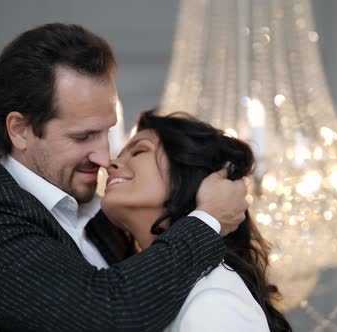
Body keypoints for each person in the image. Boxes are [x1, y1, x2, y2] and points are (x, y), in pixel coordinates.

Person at [0, 23, 249, 331]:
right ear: (20, 130)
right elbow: (107, 316)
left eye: (107, 132)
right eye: (82, 136)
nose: (105, 157)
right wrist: (207, 220)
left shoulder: (98, 219)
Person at [100, 110, 293, 332]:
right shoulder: (156, 296)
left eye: (138, 152)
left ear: (187, 172)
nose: (111, 163)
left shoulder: (214, 298)